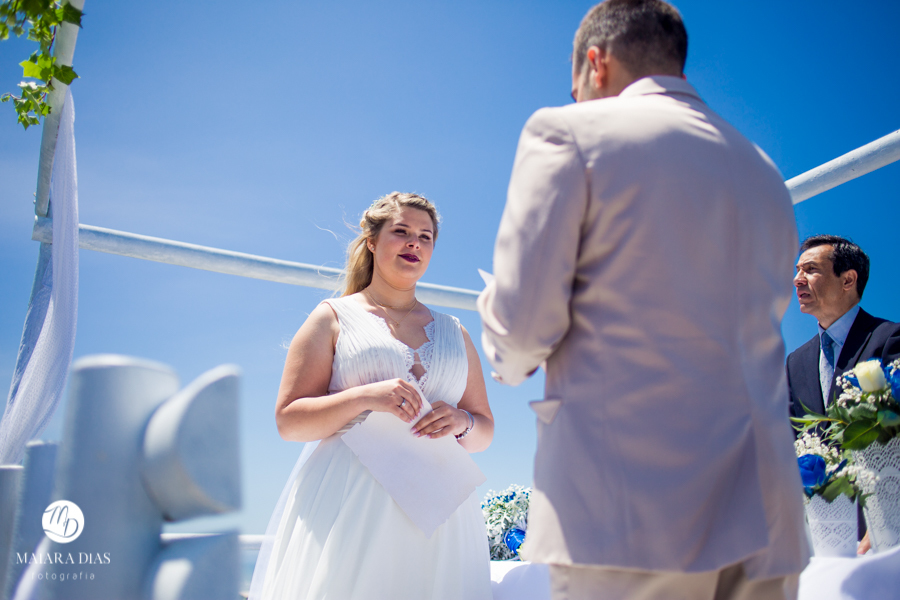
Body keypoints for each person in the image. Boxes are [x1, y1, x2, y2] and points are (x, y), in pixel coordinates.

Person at [477, 1, 808, 599]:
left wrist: (500, 345)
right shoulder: (761, 169)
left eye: (576, 83)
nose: (576, 96)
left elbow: (524, 324)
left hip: (628, 507)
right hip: (766, 505)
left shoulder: (568, 133)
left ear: (595, 64)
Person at [249, 192, 494, 600]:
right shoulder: (331, 316)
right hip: (350, 504)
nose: (414, 242)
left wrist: (462, 421)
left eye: (425, 236)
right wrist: (366, 396)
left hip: (444, 513)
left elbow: (484, 431)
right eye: (401, 232)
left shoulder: (457, 331)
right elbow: (289, 421)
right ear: (372, 242)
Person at [787, 234, 900, 553]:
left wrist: (884, 520)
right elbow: (792, 439)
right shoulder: (796, 362)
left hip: (886, 529)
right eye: (797, 270)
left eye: (810, 269)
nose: (797, 280)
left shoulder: (890, 339)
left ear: (848, 279)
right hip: (824, 537)